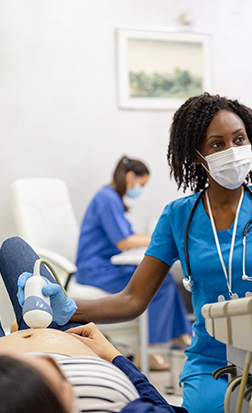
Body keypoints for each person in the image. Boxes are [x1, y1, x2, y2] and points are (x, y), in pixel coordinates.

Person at [22, 93, 252, 413]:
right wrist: (68, 307)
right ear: (197, 156)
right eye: (217, 144)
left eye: (239, 139)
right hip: (211, 364)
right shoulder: (179, 217)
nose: (231, 150)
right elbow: (132, 299)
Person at [0, 237, 187, 413]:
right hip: (69, 341)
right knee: (13, 247)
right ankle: (21, 327)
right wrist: (113, 356)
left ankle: (18, 328)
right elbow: (159, 407)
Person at [75, 156, 192, 370]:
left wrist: (159, 235)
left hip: (106, 265)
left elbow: (127, 236)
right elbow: (124, 241)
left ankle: (180, 337)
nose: (140, 190)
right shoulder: (107, 198)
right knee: (158, 282)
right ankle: (150, 350)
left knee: (163, 277)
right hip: (95, 269)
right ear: (130, 177)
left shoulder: (111, 198)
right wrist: (163, 236)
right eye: (141, 184)